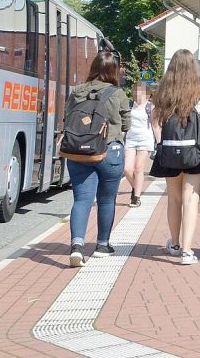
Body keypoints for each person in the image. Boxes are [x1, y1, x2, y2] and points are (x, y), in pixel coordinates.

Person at [64, 50, 130, 267]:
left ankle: (77, 246)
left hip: (79, 153)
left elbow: (67, 118)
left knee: (82, 200)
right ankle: (102, 244)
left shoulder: (76, 92)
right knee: (106, 199)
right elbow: (126, 123)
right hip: (109, 151)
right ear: (114, 71)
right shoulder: (117, 93)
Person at [150, 49, 200, 265]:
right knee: (191, 198)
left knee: (174, 198)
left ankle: (174, 244)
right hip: (195, 152)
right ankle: (187, 251)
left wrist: (159, 144)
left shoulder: (163, 92)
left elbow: (155, 121)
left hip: (169, 151)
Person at [123, 81, 154, 207]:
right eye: (136, 92)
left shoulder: (150, 107)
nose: (138, 95)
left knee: (139, 168)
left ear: (147, 94)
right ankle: (136, 188)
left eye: (141, 92)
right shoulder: (130, 105)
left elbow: (156, 125)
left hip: (145, 140)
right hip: (130, 139)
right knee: (127, 169)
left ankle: (136, 197)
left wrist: (159, 143)